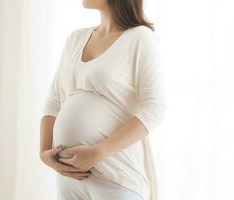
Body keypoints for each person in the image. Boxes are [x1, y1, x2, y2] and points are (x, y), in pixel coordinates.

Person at [39, 0, 167, 199]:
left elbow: (155, 108)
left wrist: (98, 152)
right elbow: (54, 101)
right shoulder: (75, 39)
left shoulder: (140, 38)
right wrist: (44, 152)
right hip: (70, 179)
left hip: (116, 177)